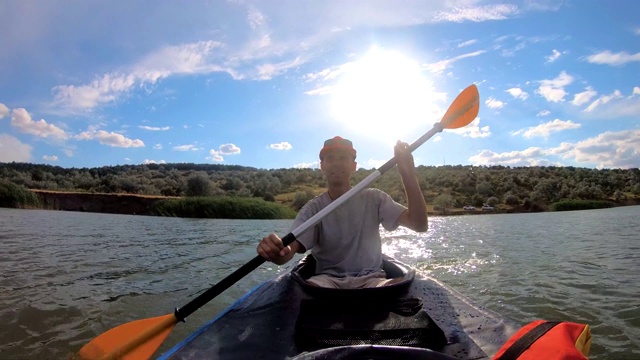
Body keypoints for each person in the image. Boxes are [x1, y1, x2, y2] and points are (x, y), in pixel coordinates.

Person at [257, 136, 428, 288]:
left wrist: (407, 173)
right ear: (322, 166)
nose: (337, 163)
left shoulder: (375, 198)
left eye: (343, 158)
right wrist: (276, 251)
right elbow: (288, 250)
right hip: (326, 281)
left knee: (398, 285)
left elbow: (419, 224)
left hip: (373, 279)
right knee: (312, 287)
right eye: (330, 158)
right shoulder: (313, 208)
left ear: (354, 166)